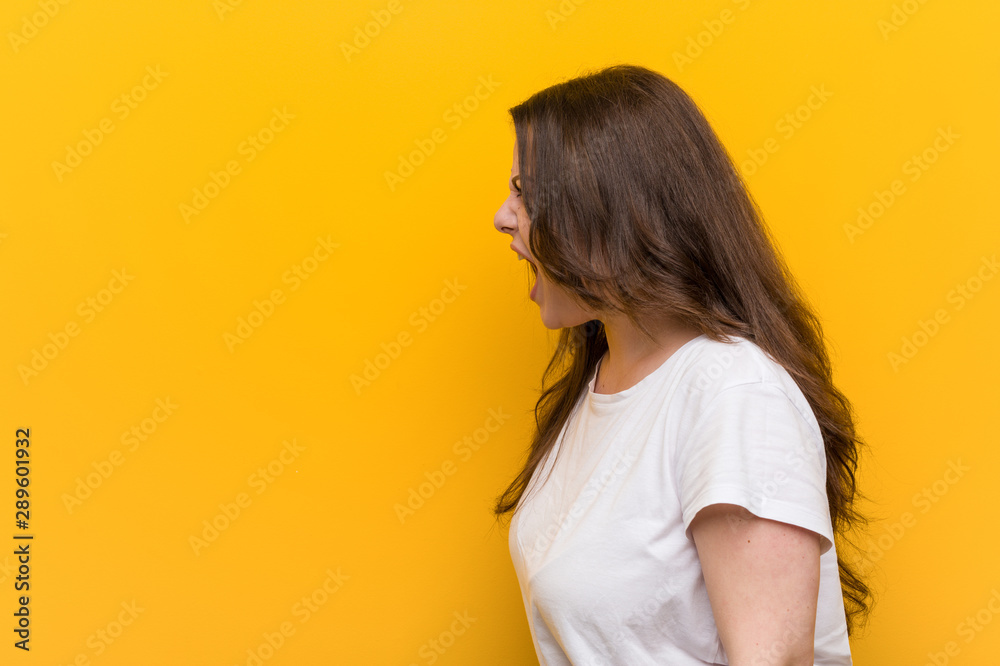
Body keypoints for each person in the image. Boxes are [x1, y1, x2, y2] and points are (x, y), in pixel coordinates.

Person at [491, 64, 874, 665]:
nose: (503, 215)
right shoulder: (601, 385)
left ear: (615, 210)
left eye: (526, 192)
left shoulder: (733, 393)